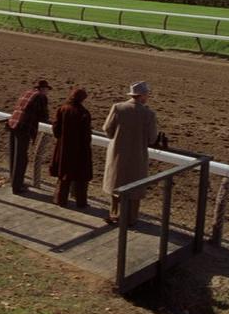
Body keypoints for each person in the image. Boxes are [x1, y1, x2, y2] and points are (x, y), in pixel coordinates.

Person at [102, 81, 158, 226]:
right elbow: (152, 138)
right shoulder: (148, 114)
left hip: (117, 154)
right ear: (142, 96)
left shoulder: (118, 108)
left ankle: (115, 215)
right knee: (134, 189)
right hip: (137, 156)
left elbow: (107, 129)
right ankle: (131, 219)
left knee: (117, 185)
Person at [49, 87, 92, 208]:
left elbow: (56, 129)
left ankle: (60, 200)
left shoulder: (62, 109)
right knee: (81, 176)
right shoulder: (83, 113)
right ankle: (81, 202)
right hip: (80, 149)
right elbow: (86, 134)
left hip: (63, 147)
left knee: (64, 175)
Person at [7, 78, 52, 194]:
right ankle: (17, 186)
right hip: (23, 127)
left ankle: (14, 182)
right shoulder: (41, 97)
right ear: (43, 89)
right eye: (47, 90)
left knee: (14, 155)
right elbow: (43, 115)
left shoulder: (26, 93)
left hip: (12, 123)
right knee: (21, 158)